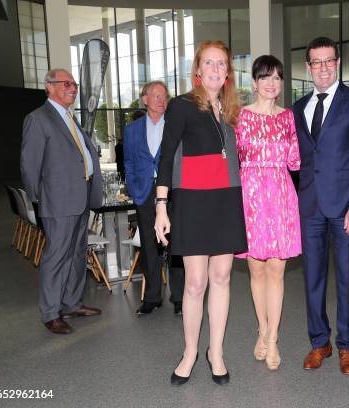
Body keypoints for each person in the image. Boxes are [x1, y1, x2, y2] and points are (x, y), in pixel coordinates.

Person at [154, 40, 247, 386]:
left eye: (222, 64)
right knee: (195, 282)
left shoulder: (232, 109)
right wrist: (161, 207)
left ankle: (216, 352)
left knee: (221, 278)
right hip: (192, 200)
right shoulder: (181, 105)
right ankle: (191, 352)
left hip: (225, 200)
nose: (216, 69)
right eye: (209, 63)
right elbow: (165, 158)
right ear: (197, 70)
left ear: (227, 73)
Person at [292, 36, 349, 375]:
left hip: (346, 208)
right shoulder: (298, 108)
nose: (323, 67)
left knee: (347, 280)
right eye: (316, 62)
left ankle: (347, 346)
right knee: (312, 279)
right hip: (309, 207)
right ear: (308, 67)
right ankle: (319, 342)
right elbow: (295, 161)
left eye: (329, 61)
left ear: (337, 63)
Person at [20, 68, 103, 334]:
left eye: (75, 84)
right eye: (67, 83)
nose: (74, 88)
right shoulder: (38, 119)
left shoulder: (69, 117)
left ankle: (71, 303)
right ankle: (51, 313)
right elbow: (29, 165)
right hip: (57, 202)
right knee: (56, 257)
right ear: (50, 87)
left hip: (79, 199)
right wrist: (37, 202)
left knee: (77, 254)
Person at [235, 55, 301, 370]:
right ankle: (261, 328)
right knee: (256, 271)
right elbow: (230, 163)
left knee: (276, 271)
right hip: (250, 198)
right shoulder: (240, 117)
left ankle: (273, 338)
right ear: (255, 81)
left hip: (282, 197)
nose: (272, 84)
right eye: (265, 77)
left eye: (277, 78)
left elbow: (295, 160)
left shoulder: (288, 117)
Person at [123, 81, 184, 315]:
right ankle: (152, 297)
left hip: (173, 194)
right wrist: (133, 183)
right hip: (145, 193)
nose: (161, 100)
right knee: (149, 247)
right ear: (145, 99)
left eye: (164, 96)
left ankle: (179, 297)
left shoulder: (176, 126)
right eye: (156, 96)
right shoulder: (132, 130)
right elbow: (128, 161)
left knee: (176, 244)